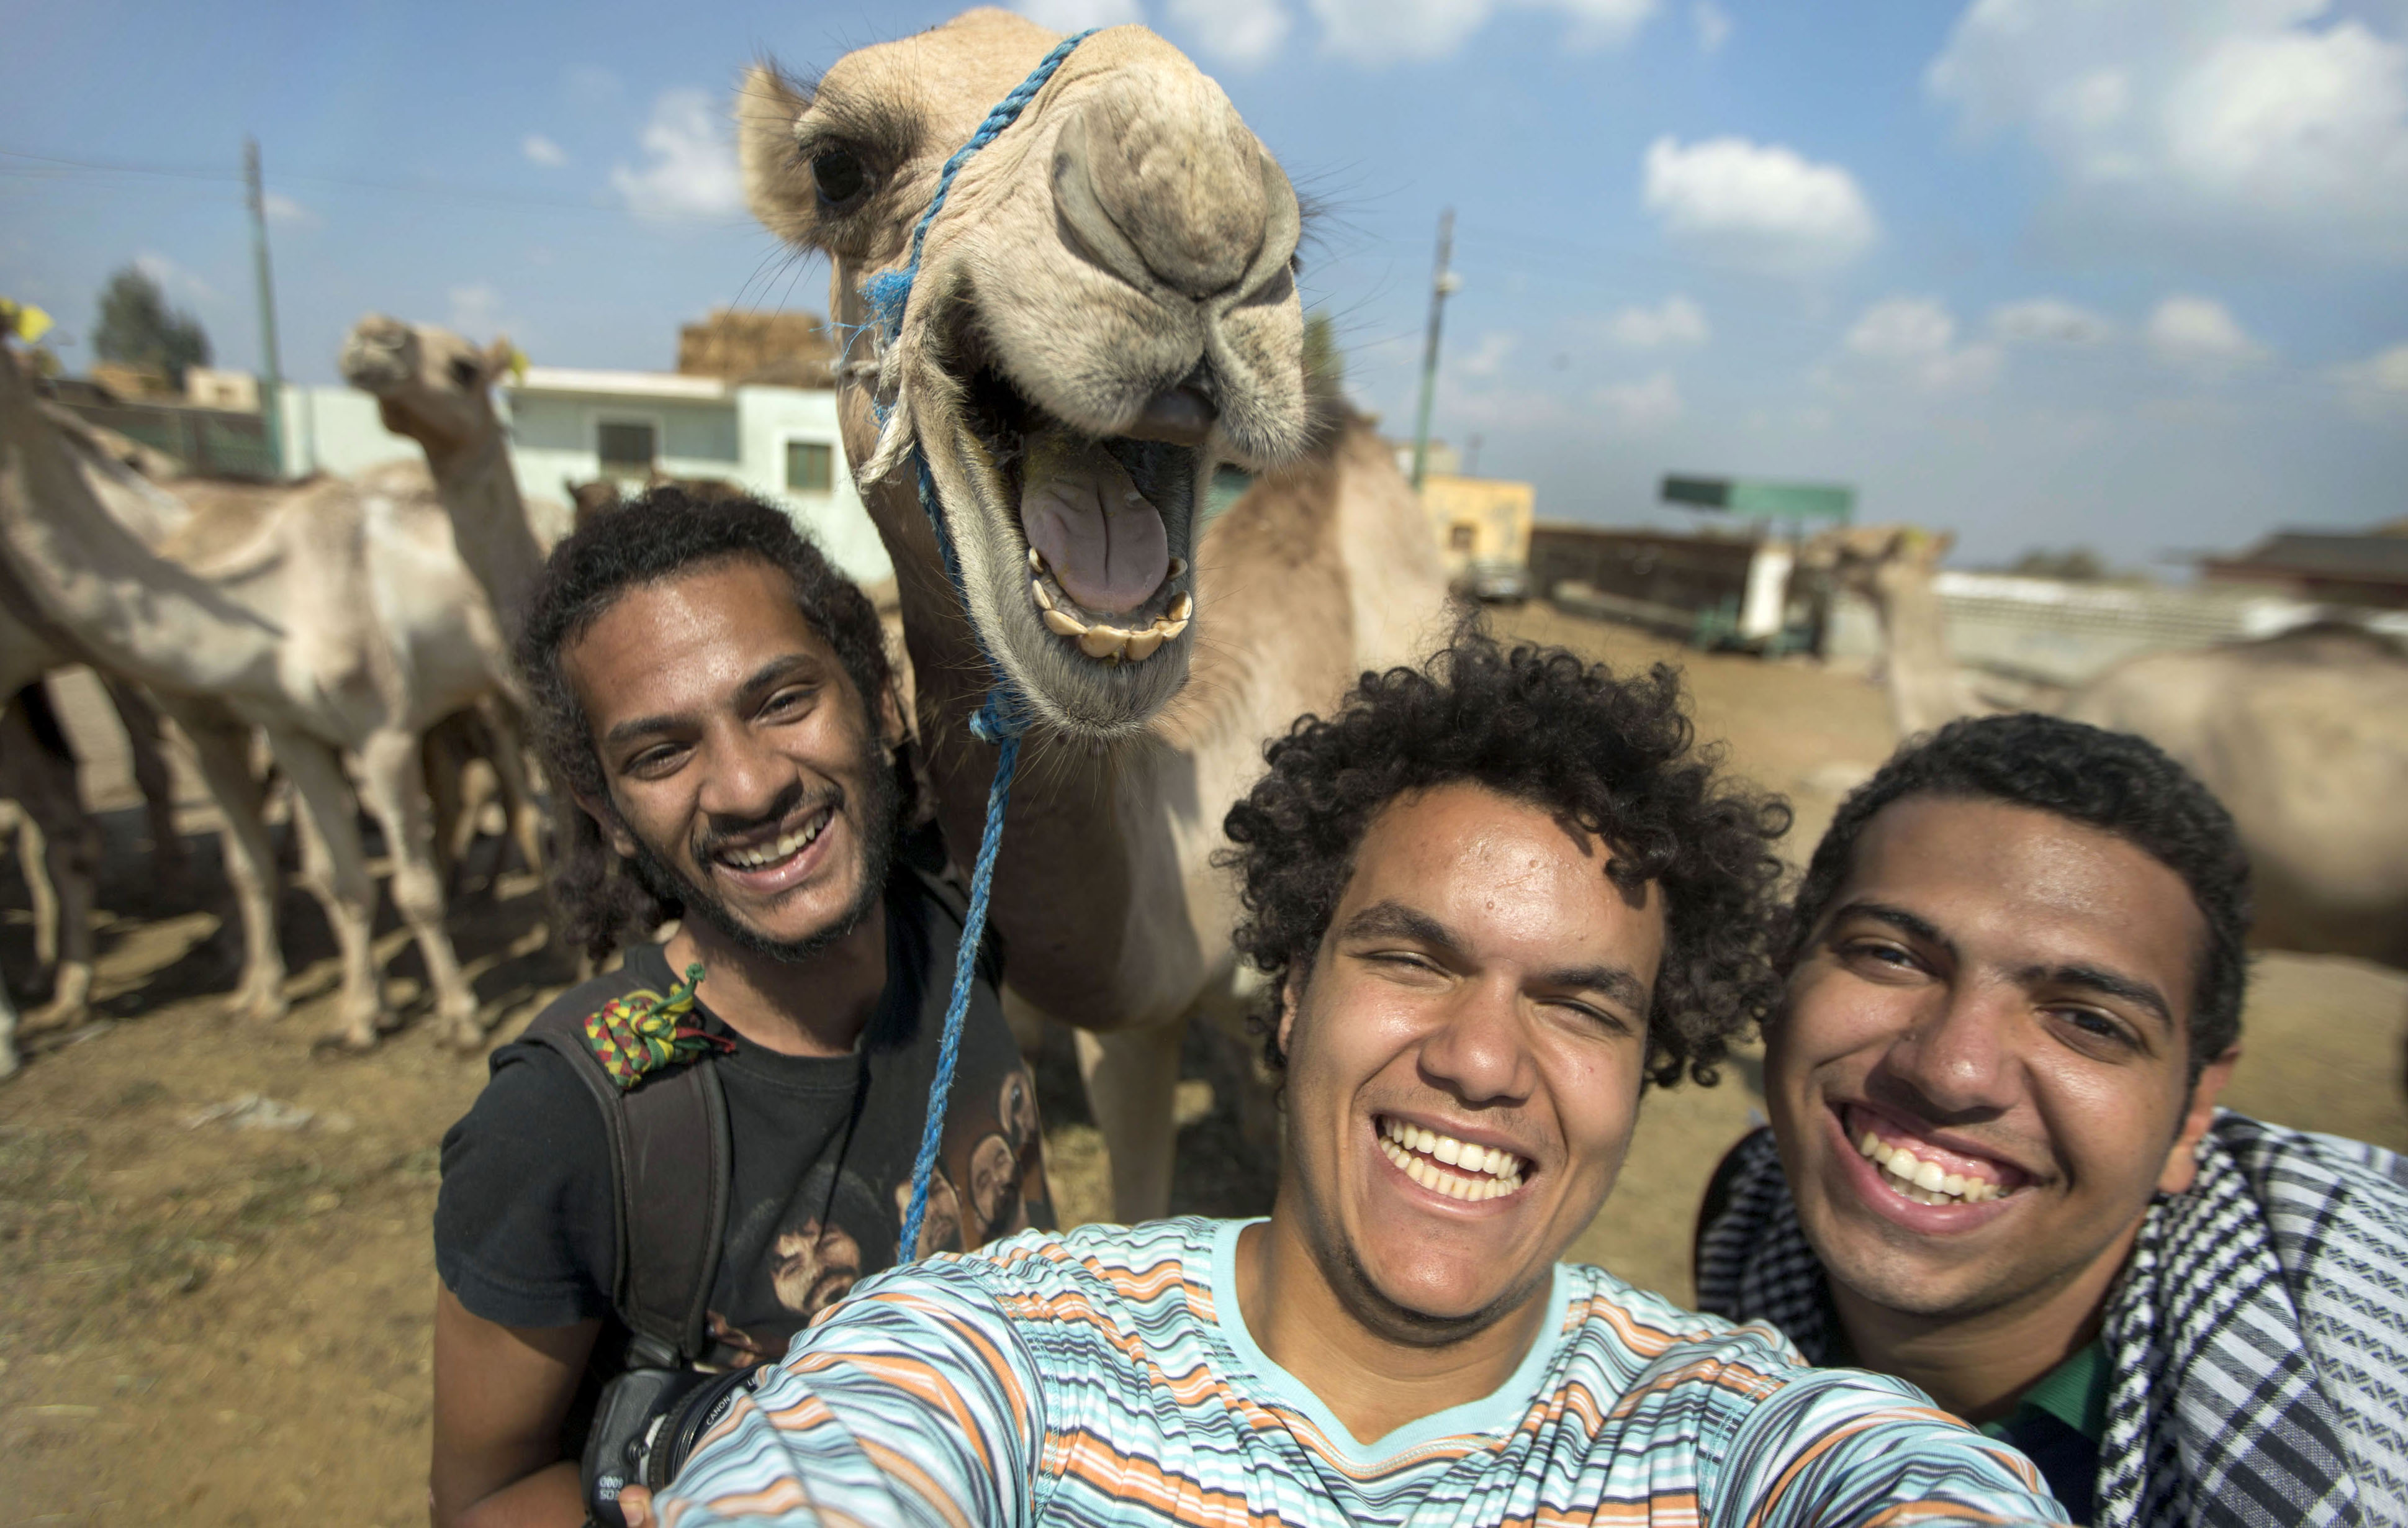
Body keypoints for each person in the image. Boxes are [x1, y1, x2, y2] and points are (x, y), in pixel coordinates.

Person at [624, 633, 2070, 1527]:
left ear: (1649, 1068)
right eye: (1415, 960)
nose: (1482, 1061)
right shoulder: (1007, 1348)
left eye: (1578, 1006)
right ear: (1293, 988)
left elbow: (1907, 1486)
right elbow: (844, 1461)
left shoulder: (1726, 1431)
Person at [430, 492, 1051, 1527]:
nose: (750, 784)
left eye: (781, 699)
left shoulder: (955, 912)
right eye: (660, 754)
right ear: (609, 816)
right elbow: (482, 1492)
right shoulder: (570, 1118)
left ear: (882, 701)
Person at [1695, 713, 2408, 1527]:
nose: (1953, 1070)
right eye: (1891, 955)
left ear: (2193, 1111)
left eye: (2089, 1020)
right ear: (1782, 974)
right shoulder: (1747, 1230)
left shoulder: (2361, 1419)